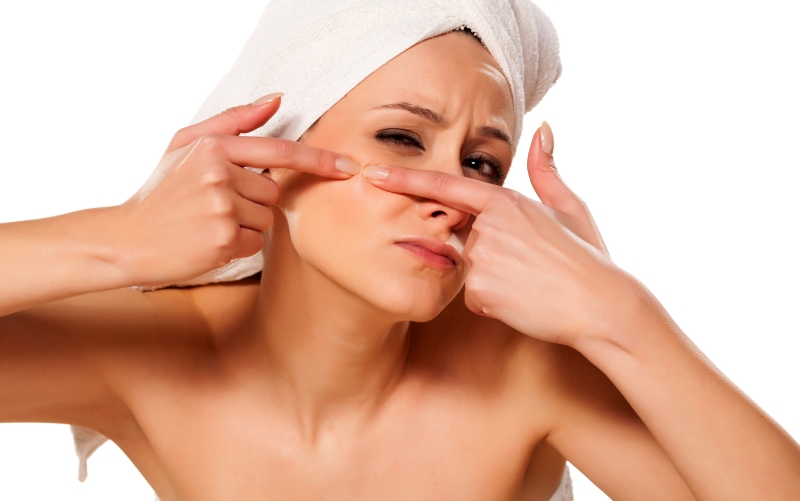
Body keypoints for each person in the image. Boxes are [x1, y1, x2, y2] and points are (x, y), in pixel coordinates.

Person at [1, 1, 799, 500]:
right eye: (403, 137)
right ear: (272, 148)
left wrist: (619, 317)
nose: (449, 193)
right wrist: (117, 237)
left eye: (481, 163)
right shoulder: (151, 356)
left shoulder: (525, 371)